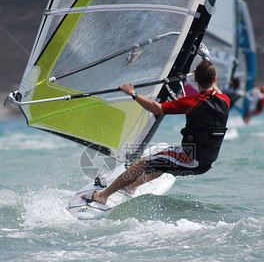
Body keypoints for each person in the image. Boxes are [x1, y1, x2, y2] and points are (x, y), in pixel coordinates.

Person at [83, 57, 231, 205]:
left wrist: (133, 94)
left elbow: (157, 108)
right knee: (162, 162)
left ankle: (103, 195)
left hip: (189, 159)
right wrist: (203, 75)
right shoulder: (225, 100)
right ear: (214, 79)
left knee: (142, 164)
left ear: (196, 80)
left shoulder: (191, 103)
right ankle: (131, 186)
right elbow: (213, 90)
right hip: (207, 163)